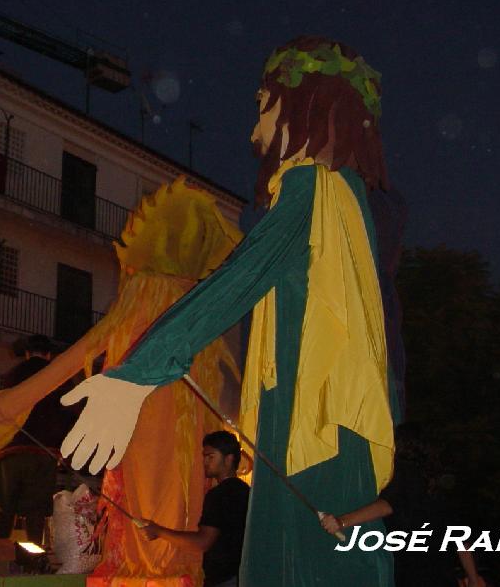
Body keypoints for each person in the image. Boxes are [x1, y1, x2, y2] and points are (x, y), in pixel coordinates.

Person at [57, 36, 399, 586]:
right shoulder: (346, 199)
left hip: (309, 421)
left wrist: (137, 373)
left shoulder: (313, 187)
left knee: (300, 559)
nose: (253, 131)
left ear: (304, 104)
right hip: (321, 414)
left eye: (263, 107)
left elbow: (240, 277)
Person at [0, 179, 243, 586]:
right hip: (160, 457)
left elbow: (58, 370)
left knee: (142, 534)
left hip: (140, 450)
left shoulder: (146, 298)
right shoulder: (198, 314)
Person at [319, 423, 484, 587]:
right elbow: (461, 541)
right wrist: (474, 578)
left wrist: (342, 521)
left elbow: (386, 505)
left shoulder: (405, 474)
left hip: (413, 577)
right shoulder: (437, 488)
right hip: (442, 578)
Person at [0, 334, 78, 544]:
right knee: (36, 509)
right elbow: (70, 412)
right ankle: (34, 556)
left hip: (11, 448)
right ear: (49, 355)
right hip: (44, 451)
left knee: (5, 506)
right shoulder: (59, 377)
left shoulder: (11, 376)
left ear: (27, 354)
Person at [140, 431, 250, 587]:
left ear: (229, 459)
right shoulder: (246, 491)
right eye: (204, 456)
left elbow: (203, 541)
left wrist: (158, 531)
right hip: (242, 576)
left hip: (225, 580)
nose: (205, 461)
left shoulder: (218, 495)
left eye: (211, 456)